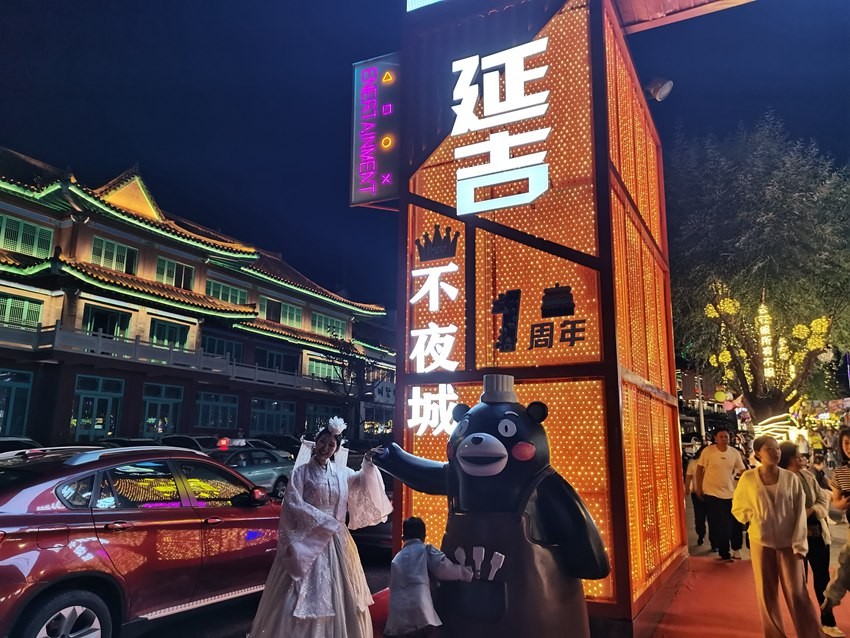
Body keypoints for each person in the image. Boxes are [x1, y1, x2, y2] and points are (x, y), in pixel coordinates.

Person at [248, 421, 392, 638]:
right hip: (310, 537)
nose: (326, 448)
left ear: (337, 448)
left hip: (338, 539)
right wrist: (323, 521)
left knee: (342, 591)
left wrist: (368, 461)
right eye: (322, 442)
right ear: (315, 443)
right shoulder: (301, 472)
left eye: (331, 444)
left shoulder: (342, 473)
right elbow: (293, 503)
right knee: (297, 593)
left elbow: (361, 481)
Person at [732, 436, 822, 638]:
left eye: (777, 449)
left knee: (797, 592)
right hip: (760, 542)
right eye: (770, 449)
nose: (776, 453)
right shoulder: (748, 478)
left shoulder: (790, 479)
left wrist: (800, 543)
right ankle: (774, 634)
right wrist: (754, 518)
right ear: (758, 454)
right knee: (766, 593)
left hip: (789, 543)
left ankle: (810, 634)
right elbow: (738, 506)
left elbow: (799, 513)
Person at [778, 441, 842, 637]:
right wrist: (799, 519)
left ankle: (828, 621)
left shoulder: (807, 475)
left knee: (823, 580)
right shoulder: (780, 479)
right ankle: (805, 625)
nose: (802, 458)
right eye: (797, 455)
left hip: (817, 535)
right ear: (788, 458)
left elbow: (822, 499)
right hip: (793, 540)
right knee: (798, 584)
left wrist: (812, 510)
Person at [384, 517, 473, 638]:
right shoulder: (426, 550)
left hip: (396, 620)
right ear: (424, 536)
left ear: (403, 537)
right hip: (421, 614)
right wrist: (465, 573)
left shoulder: (397, 558)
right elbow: (443, 569)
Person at [695, 428, 746, 561]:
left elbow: (742, 470)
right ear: (715, 438)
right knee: (720, 524)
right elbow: (699, 470)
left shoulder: (734, 453)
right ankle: (724, 551)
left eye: (726, 437)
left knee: (735, 523)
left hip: (730, 493)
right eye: (721, 437)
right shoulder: (708, 451)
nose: (724, 439)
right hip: (712, 493)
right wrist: (698, 487)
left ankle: (736, 548)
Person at [822, 428, 850, 623]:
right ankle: (829, 602)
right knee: (846, 564)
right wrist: (844, 503)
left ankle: (829, 602)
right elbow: (836, 502)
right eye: (846, 443)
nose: (849, 447)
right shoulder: (840, 472)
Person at [685, 445, 711, 548]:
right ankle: (701, 534)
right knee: (699, 517)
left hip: (712, 494)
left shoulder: (713, 464)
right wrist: (687, 488)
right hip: (697, 494)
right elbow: (688, 477)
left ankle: (714, 542)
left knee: (713, 518)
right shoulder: (693, 463)